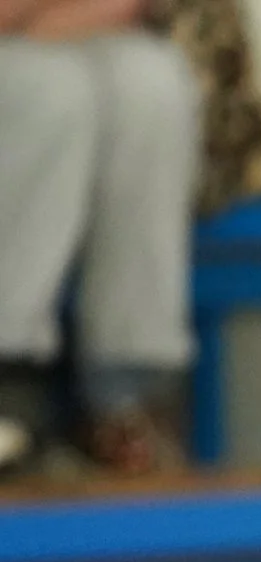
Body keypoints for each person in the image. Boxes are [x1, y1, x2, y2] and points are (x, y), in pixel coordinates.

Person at [0, 0, 200, 476]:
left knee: (152, 86)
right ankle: (11, 375)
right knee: (50, 91)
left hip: (75, 31)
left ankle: (127, 391)